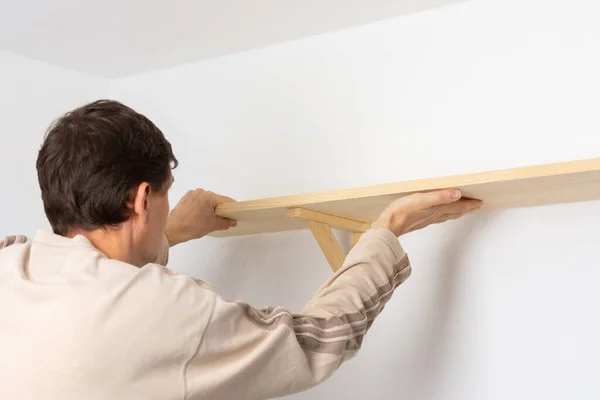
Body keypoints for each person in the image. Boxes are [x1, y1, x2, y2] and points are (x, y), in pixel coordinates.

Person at [0, 100, 482, 400]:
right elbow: (316, 342)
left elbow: (98, 279)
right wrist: (387, 228)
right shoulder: (167, 308)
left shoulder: (10, 266)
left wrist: (170, 235)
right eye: (166, 195)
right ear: (142, 199)